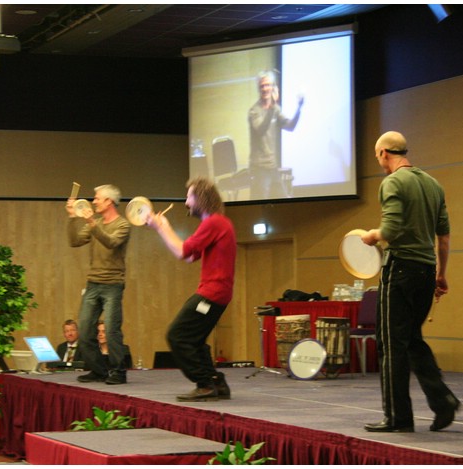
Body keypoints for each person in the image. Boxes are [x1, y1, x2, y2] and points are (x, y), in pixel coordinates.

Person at [361, 131, 460, 433]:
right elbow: (443, 236)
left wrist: (371, 236)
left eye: (378, 156)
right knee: (412, 340)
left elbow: (389, 228)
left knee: (391, 345)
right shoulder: (433, 184)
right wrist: (441, 274)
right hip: (426, 271)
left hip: (400, 270)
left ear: (383, 154)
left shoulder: (392, 182)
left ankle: (397, 418)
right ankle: (442, 400)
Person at [146, 177, 236, 402]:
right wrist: (163, 229)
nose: (186, 202)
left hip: (212, 293)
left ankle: (204, 384)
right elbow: (189, 257)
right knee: (194, 340)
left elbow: (181, 252)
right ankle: (215, 382)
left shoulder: (214, 222)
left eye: (189, 196)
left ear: (201, 199)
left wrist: (161, 227)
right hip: (217, 293)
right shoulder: (218, 224)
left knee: (177, 335)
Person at [66, 184, 130, 385]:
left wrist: (92, 223)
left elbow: (111, 242)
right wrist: (72, 218)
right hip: (93, 283)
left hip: (113, 284)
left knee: (111, 330)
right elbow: (75, 241)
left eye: (97, 198)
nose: (93, 201)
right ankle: (98, 370)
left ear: (109, 201)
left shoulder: (123, 225)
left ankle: (119, 372)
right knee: (84, 330)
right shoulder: (96, 222)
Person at [248, 69, 304, 199]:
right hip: (259, 169)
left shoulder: (276, 110)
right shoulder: (254, 111)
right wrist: (272, 107)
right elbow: (261, 130)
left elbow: (290, 126)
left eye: (268, 85)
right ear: (258, 89)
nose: (265, 88)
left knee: (285, 201)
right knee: (261, 205)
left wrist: (299, 108)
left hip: (272, 167)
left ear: (273, 88)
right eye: (262, 86)